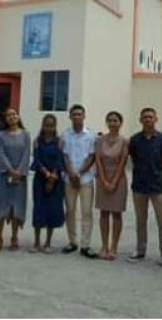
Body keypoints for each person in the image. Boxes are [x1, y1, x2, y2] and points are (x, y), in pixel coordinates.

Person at [127, 107, 162, 269]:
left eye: (150, 117)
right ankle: (140, 250)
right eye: (145, 117)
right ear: (140, 120)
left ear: (156, 119)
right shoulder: (134, 140)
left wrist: (158, 173)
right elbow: (133, 158)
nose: (148, 120)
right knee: (140, 220)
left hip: (158, 186)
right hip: (139, 186)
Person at [0, 108, 31, 252]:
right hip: (2, 176)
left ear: (18, 117)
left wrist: (18, 171)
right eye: (9, 115)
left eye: (14, 114)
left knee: (16, 208)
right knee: (1, 207)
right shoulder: (1, 135)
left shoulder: (26, 135)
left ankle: (14, 237)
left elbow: (26, 154)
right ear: (5, 119)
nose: (12, 117)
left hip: (20, 177)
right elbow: (0, 153)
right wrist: (10, 170)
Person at [60, 104, 98, 259]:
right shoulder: (65, 135)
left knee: (87, 212)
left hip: (86, 178)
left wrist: (80, 172)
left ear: (84, 116)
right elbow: (64, 156)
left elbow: (91, 156)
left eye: (79, 114)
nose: (77, 116)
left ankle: (85, 245)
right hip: (69, 179)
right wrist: (71, 173)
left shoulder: (90, 135)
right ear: (70, 116)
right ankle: (72, 241)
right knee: (70, 211)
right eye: (74, 114)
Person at [95, 111, 128, 261]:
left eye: (115, 121)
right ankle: (104, 246)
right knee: (103, 213)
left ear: (120, 123)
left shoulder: (124, 141)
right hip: (102, 178)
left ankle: (114, 246)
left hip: (118, 179)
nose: (112, 123)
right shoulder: (100, 140)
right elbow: (98, 161)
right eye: (110, 120)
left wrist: (114, 181)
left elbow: (123, 162)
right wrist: (103, 180)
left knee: (116, 214)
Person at [30, 114, 65, 254]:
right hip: (40, 178)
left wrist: (53, 175)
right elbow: (37, 160)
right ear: (42, 125)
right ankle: (37, 241)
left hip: (56, 179)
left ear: (55, 126)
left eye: (51, 125)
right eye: (46, 125)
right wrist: (46, 173)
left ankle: (48, 242)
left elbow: (59, 159)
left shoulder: (59, 141)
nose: (49, 127)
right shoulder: (37, 141)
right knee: (38, 209)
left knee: (52, 210)